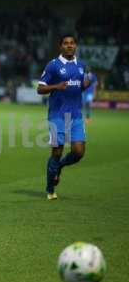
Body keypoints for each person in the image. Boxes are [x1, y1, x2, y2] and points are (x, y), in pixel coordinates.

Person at [37, 34, 90, 200]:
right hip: (57, 115)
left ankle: (59, 167)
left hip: (75, 115)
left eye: (72, 43)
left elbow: (77, 87)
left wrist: (84, 85)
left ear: (76, 46)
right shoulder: (53, 65)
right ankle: (50, 189)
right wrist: (56, 86)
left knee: (79, 152)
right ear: (60, 46)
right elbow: (40, 89)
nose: (69, 46)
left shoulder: (81, 66)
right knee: (57, 152)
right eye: (66, 43)